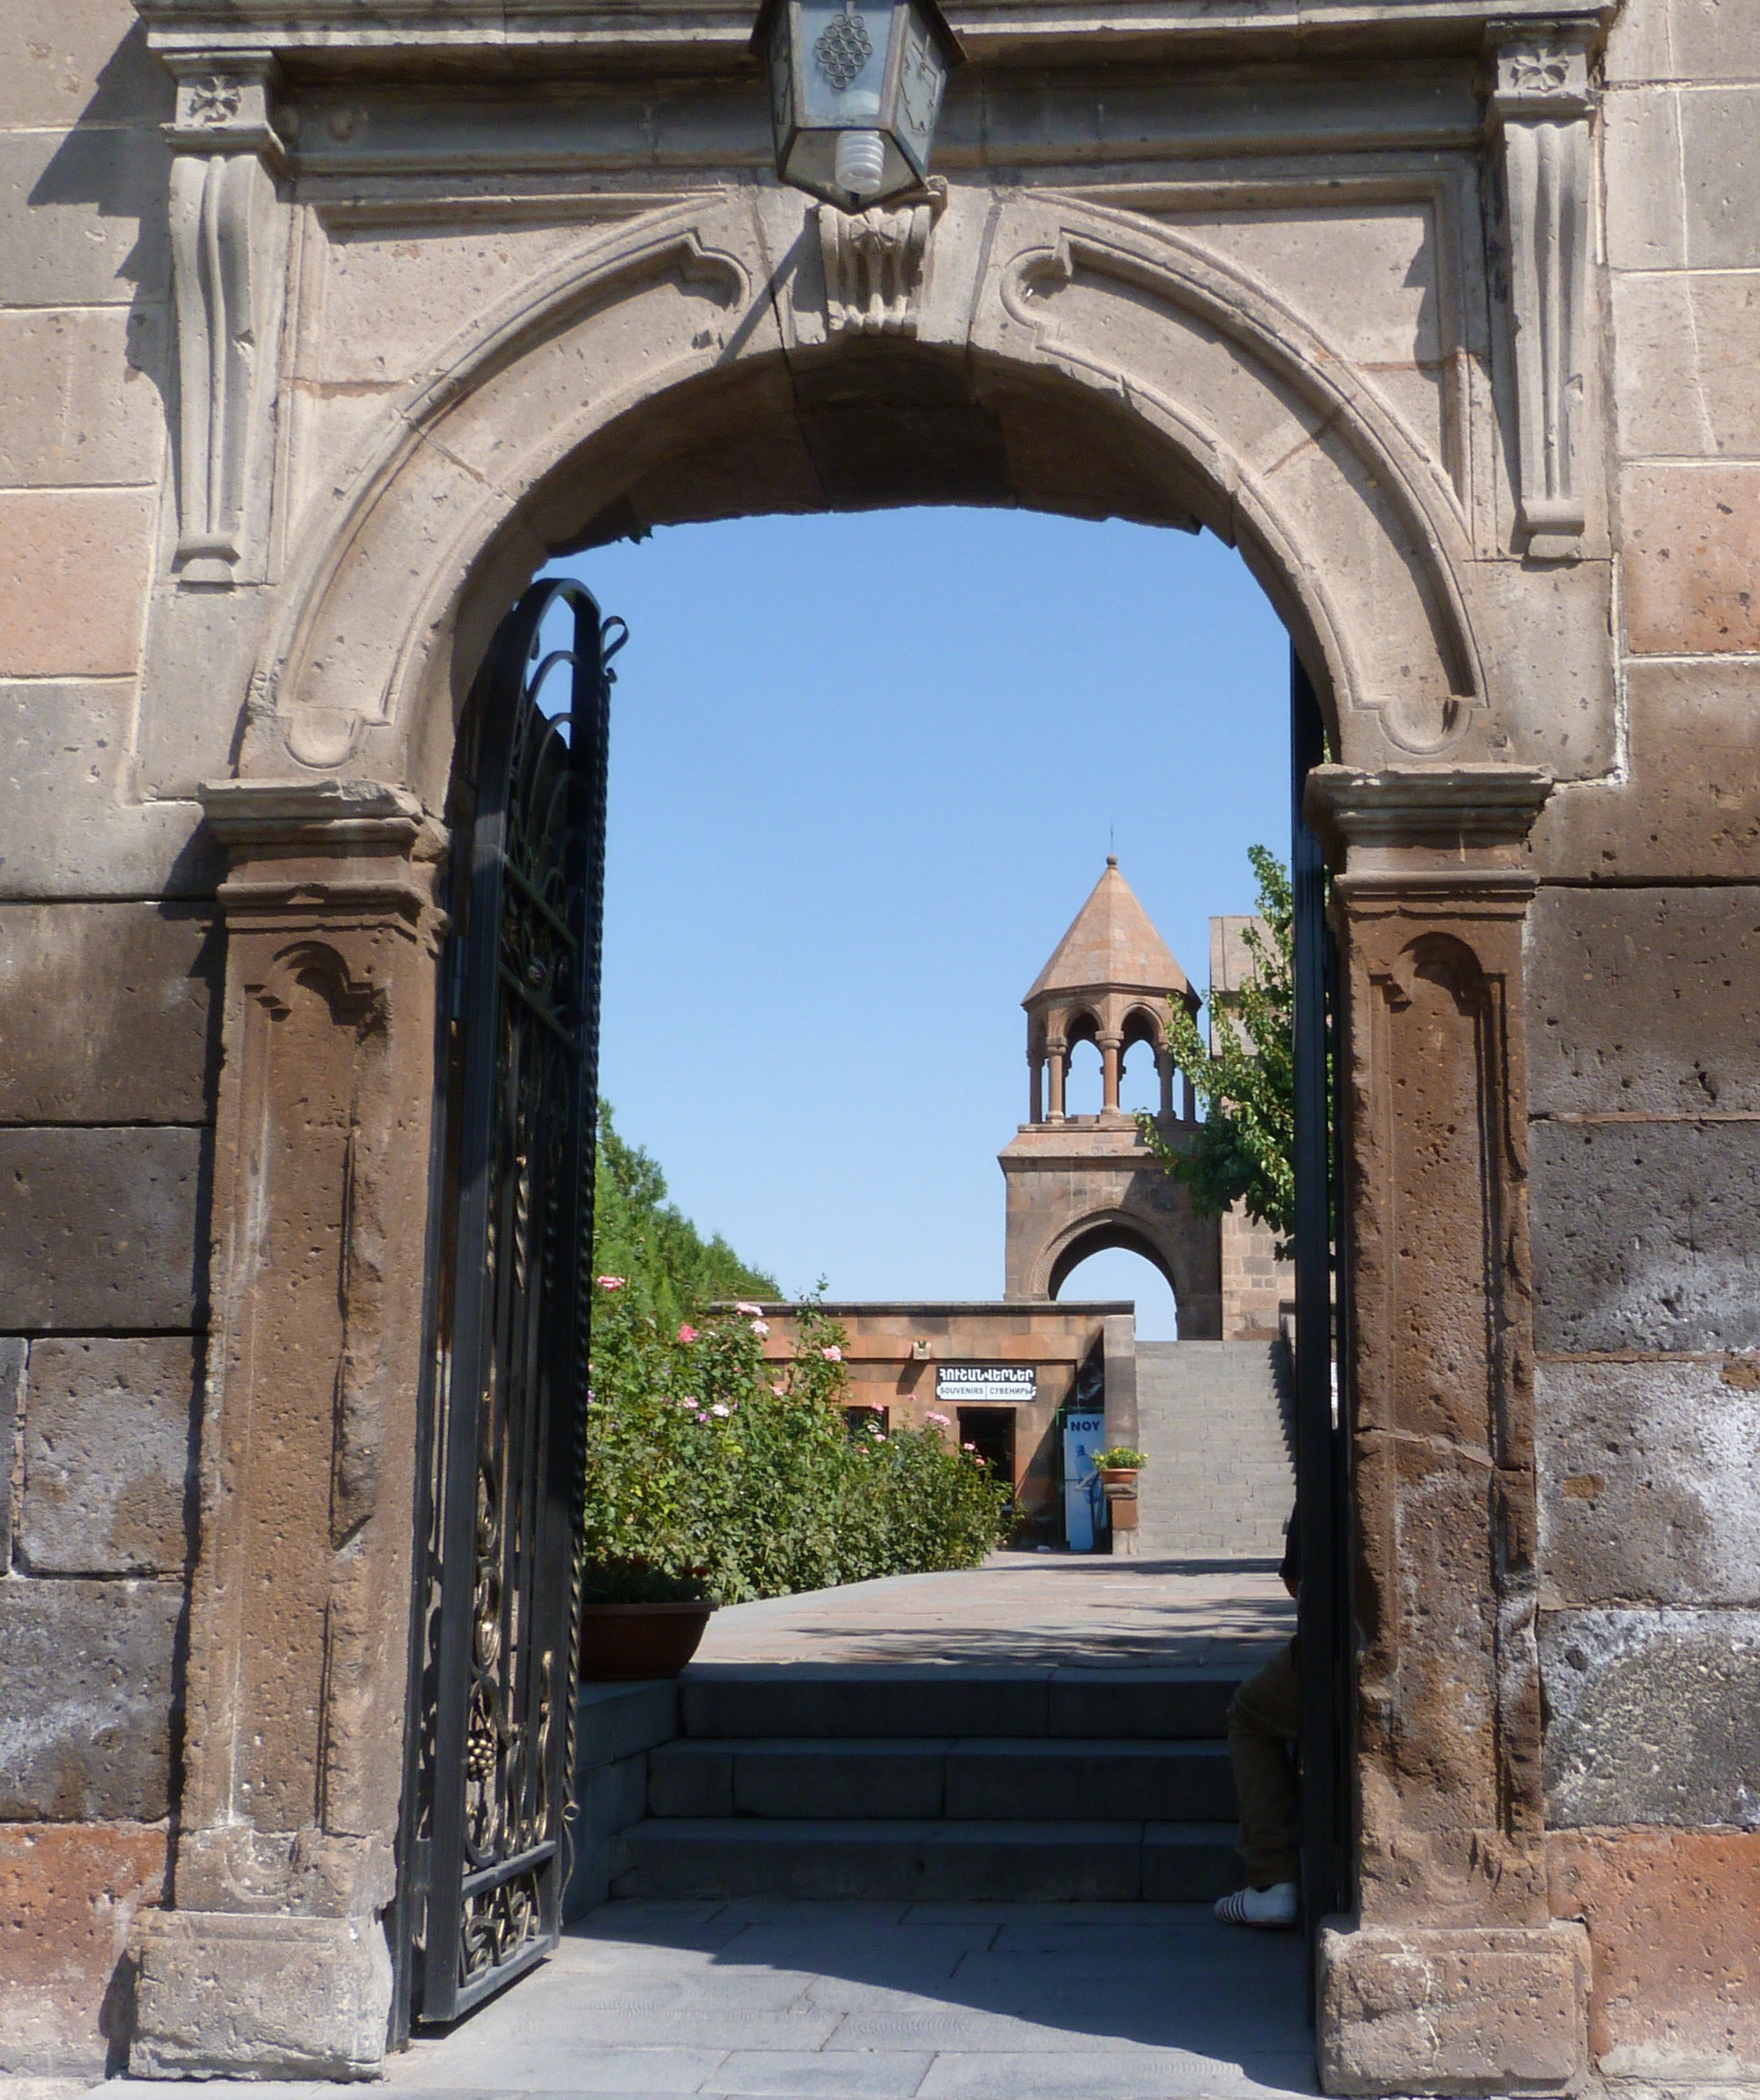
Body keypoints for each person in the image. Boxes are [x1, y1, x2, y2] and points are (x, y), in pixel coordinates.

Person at [1214, 1508, 1301, 1929]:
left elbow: (1296, 1579)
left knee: (1249, 1713)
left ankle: (1271, 1879)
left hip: (1329, 1661)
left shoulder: (1334, 1478)